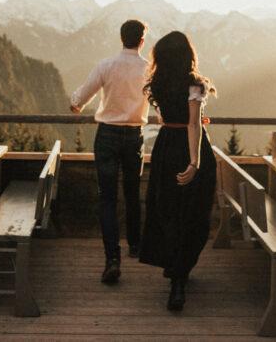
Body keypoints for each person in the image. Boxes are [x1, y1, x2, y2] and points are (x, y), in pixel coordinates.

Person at [139, 30, 217, 312]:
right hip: (189, 147)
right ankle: (180, 274)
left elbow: (165, 119)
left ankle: (175, 268)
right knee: (193, 211)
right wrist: (194, 163)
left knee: (168, 208)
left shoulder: (158, 84)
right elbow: (194, 125)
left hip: (166, 146)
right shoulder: (194, 85)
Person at [70, 19, 150, 284]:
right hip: (134, 136)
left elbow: (81, 98)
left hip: (107, 136)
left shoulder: (106, 65)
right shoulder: (149, 70)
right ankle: (136, 245)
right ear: (142, 40)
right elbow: (160, 107)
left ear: (121, 38)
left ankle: (112, 258)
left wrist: (75, 104)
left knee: (107, 197)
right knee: (131, 190)